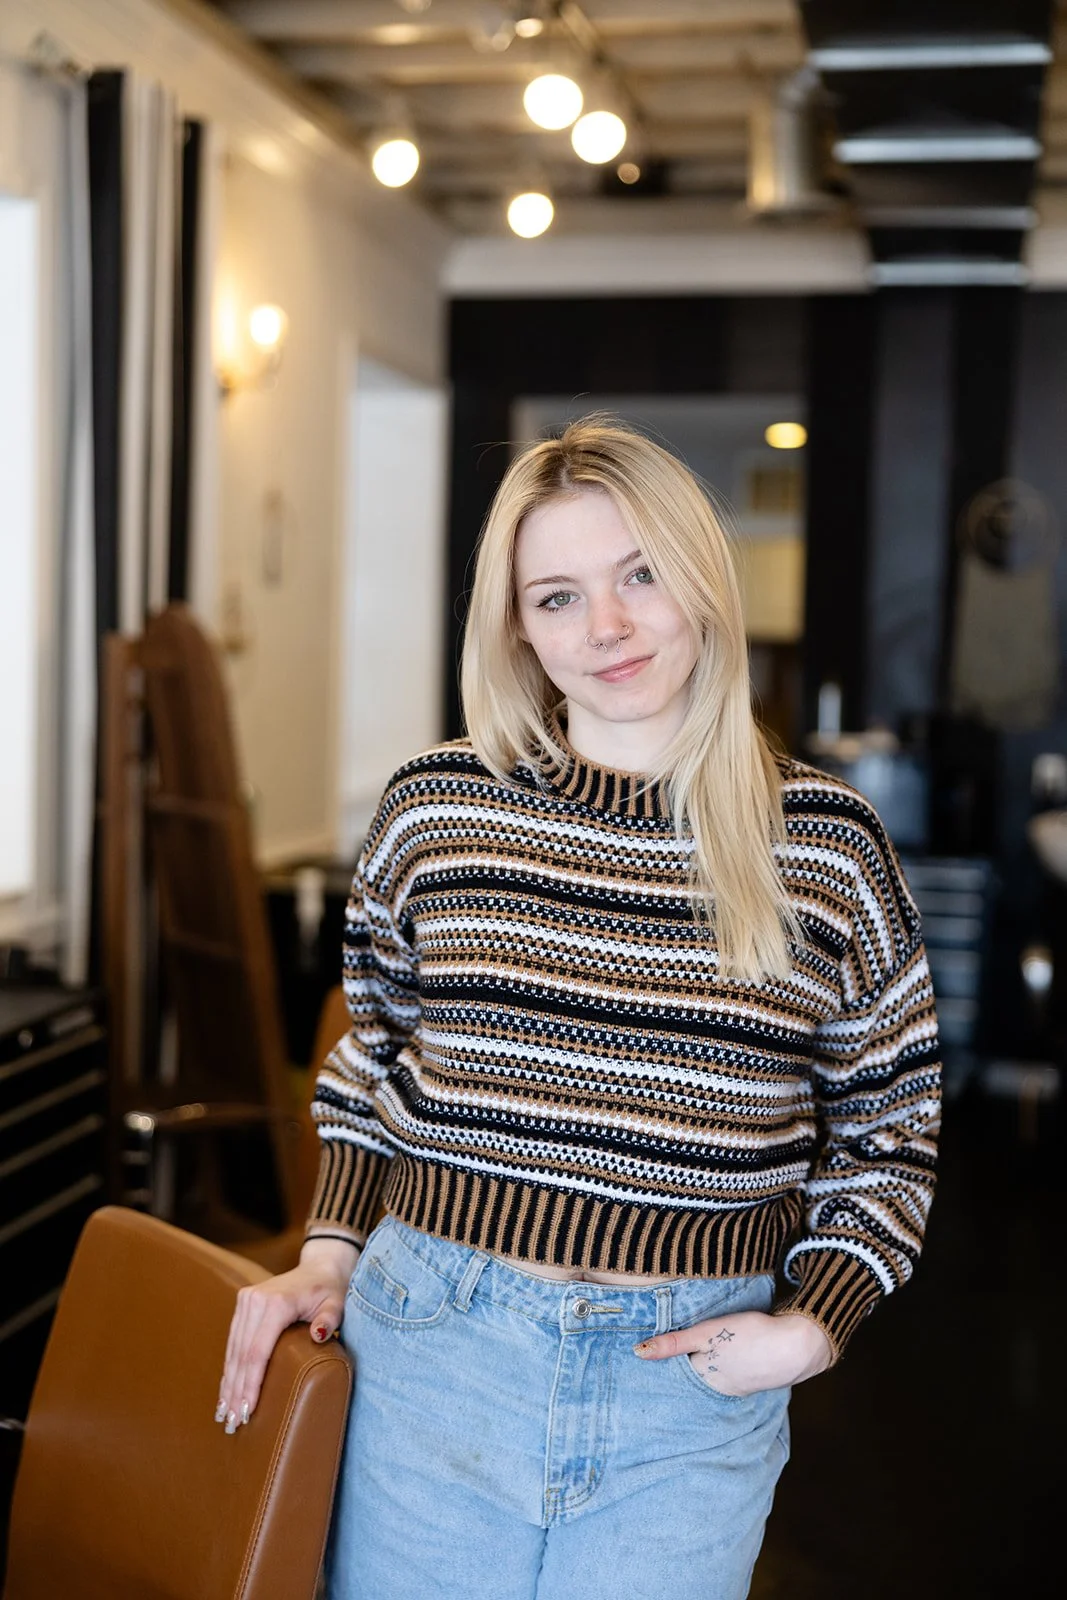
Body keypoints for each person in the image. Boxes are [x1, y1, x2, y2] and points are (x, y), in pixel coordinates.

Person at [218, 417, 941, 1600]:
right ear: (514, 625)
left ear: (701, 576)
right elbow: (371, 1054)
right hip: (433, 1349)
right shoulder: (436, 809)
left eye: (638, 575)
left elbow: (890, 1122)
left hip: (688, 1388)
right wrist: (329, 1246)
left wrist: (818, 1319)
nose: (604, 628)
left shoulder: (825, 845)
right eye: (555, 597)